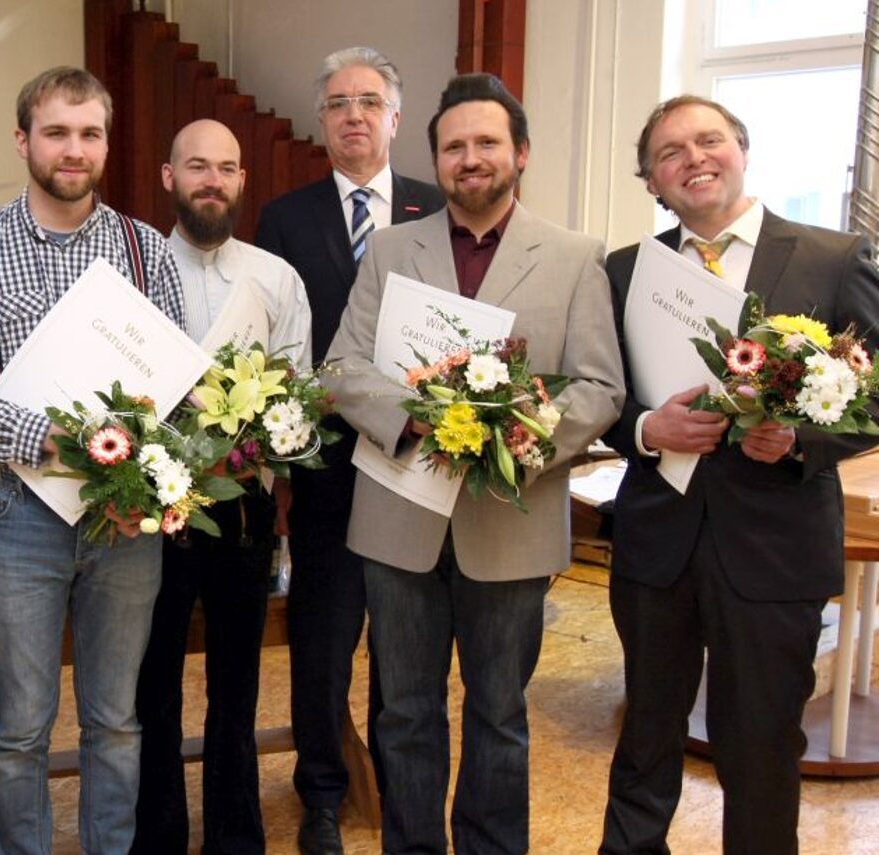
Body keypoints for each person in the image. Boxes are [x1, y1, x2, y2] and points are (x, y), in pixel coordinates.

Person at [323, 73, 625, 854]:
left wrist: (510, 437)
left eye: (487, 142)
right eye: (454, 146)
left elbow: (600, 388)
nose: (471, 158)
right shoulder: (390, 250)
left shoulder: (572, 256)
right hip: (399, 519)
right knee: (406, 712)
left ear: (520, 152)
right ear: (436, 160)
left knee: (499, 711)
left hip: (511, 521)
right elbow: (343, 367)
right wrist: (421, 423)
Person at [597, 95, 879, 855]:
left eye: (709, 140)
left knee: (759, 748)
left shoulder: (833, 257)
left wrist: (797, 442)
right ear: (652, 181)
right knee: (645, 736)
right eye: (670, 152)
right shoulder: (626, 270)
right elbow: (599, 394)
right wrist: (646, 429)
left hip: (775, 546)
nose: (693, 158)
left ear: (742, 151)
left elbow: (876, 395)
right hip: (658, 544)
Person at [0, 66, 186, 854]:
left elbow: (174, 386)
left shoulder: (148, 252)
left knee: (116, 720)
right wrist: (50, 436)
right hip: (13, 518)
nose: (75, 150)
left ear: (107, 143)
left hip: (123, 519)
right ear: (23, 140)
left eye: (90, 133)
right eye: (57, 132)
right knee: (21, 728)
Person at [252, 45, 444, 855]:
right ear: (322, 122)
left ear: (396, 118)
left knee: (409, 650)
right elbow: (270, 348)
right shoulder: (284, 219)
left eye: (369, 101)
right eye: (337, 103)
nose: (353, 115)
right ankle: (322, 792)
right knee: (323, 645)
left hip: (419, 469)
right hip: (325, 472)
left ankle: (402, 790)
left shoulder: (438, 210)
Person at [132, 119, 312, 855]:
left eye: (227, 168)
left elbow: (298, 390)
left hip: (242, 508)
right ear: (168, 177)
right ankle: (158, 837)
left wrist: (264, 447)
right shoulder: (134, 272)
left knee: (237, 683)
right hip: (147, 508)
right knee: (155, 688)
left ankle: (236, 838)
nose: (213, 179)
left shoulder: (276, 277)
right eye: (197, 165)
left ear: (242, 182)